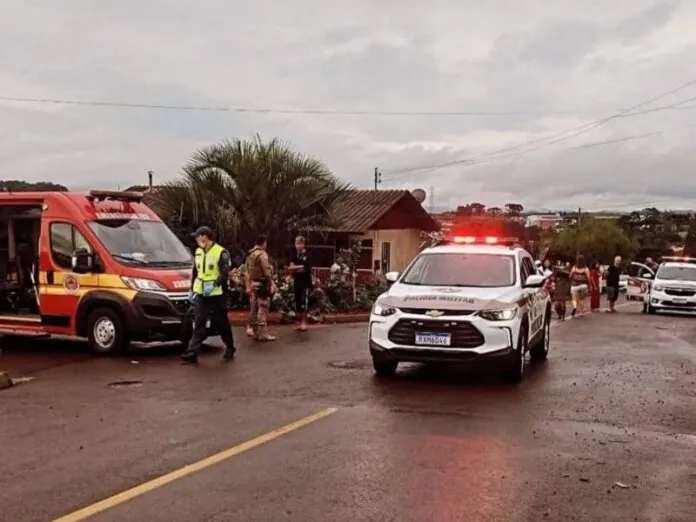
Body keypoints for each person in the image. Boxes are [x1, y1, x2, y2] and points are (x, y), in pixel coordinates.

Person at [181, 226, 236, 364]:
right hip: (201, 293)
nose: (196, 239)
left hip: (217, 294)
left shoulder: (221, 252)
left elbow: (224, 273)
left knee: (221, 322)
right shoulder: (198, 252)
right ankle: (192, 351)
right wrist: (192, 289)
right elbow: (196, 271)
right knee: (199, 321)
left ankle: (230, 347)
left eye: (198, 236)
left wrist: (214, 285)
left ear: (205, 236)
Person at [246, 235, 277, 341]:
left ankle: (255, 331)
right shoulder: (262, 254)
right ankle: (263, 333)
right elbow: (266, 271)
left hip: (254, 283)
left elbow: (248, 270)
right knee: (263, 307)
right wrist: (270, 283)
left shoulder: (251, 254)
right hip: (262, 283)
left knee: (254, 307)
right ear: (264, 243)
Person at [288, 235, 313, 331]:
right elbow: (290, 268)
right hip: (297, 282)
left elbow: (306, 268)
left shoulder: (308, 255)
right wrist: (298, 268)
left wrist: (296, 268)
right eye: (296, 244)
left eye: (299, 243)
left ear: (303, 244)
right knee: (298, 302)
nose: (297, 246)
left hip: (305, 283)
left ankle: (304, 323)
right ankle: (300, 322)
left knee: (304, 302)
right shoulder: (294, 255)